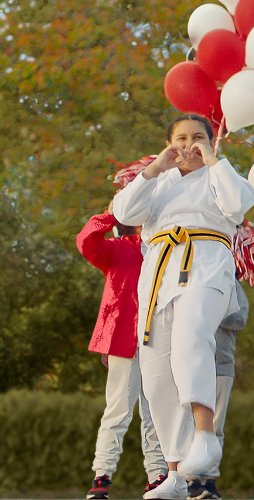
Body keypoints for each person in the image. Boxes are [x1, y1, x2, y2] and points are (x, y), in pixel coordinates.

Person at [111, 114, 254, 499]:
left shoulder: (219, 175)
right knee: (157, 372)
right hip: (159, 274)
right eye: (181, 138)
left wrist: (213, 159)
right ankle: (175, 473)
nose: (189, 144)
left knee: (192, 337)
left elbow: (239, 205)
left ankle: (205, 435)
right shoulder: (158, 181)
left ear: (210, 142)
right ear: (168, 143)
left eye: (198, 137)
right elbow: (124, 213)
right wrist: (155, 167)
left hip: (206, 265)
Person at [77, 209, 168, 499]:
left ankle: (158, 476)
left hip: (159, 340)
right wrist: (113, 213)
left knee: (157, 412)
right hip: (122, 339)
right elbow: (86, 240)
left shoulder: (165, 249)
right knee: (118, 410)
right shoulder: (116, 249)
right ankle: (102, 475)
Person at [186, 282, 247, 500]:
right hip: (193, 366)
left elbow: (239, 318)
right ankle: (192, 481)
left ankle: (209, 481)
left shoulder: (233, 285)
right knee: (191, 425)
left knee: (215, 426)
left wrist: (211, 309)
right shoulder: (190, 281)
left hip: (222, 366)